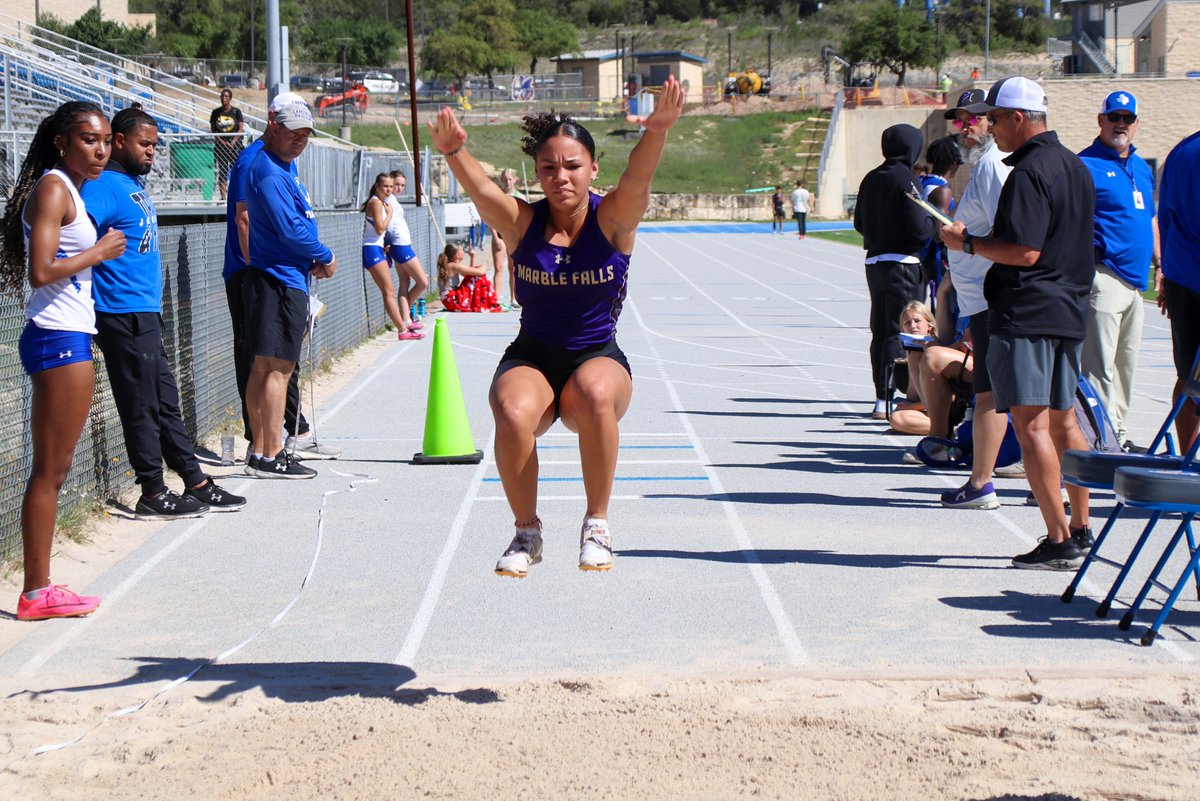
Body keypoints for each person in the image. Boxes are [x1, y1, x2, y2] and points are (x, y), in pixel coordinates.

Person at [427, 75, 686, 577]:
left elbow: (637, 178)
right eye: (548, 168)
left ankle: (597, 523)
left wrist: (657, 130)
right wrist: (455, 152)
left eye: (572, 166)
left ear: (592, 168)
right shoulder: (524, 223)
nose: (560, 176)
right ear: (536, 172)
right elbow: (481, 191)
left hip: (598, 356)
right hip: (536, 354)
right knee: (510, 408)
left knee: (592, 391)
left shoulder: (612, 219)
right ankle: (527, 531)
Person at [942, 76, 1095, 569]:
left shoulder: (1029, 172)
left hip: (1028, 309)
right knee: (1066, 420)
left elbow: (1024, 250)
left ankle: (1058, 538)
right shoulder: (1076, 166)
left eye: (995, 118)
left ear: (1018, 118)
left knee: (1030, 426)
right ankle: (1081, 525)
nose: (989, 128)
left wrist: (968, 243)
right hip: (1069, 308)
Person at [85, 107, 246, 519]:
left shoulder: (130, 185)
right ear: (119, 142)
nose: (152, 152)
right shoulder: (103, 187)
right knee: (141, 403)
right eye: (145, 144)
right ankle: (152, 492)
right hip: (120, 310)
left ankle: (194, 479)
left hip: (144, 310)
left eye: (156, 145)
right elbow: (77, 235)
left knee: (165, 400)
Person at [0, 101, 125, 619]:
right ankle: (35, 591)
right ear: (62, 142)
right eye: (89, 140)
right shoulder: (53, 186)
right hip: (57, 338)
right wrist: (98, 253)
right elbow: (42, 271)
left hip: (65, 335)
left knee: (56, 467)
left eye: (105, 141)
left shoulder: (68, 187)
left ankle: (41, 584)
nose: (100, 150)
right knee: (50, 471)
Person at [223, 92, 340, 461]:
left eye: (306, 134)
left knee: (269, 365)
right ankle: (271, 451)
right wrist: (323, 255)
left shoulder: (281, 164)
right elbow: (277, 226)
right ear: (272, 125)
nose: (300, 140)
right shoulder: (263, 166)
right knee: (275, 367)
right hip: (270, 276)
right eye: (293, 131)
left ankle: (264, 448)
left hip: (279, 273)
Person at [936, 88, 1014, 511]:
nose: (964, 128)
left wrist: (961, 240)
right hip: (979, 300)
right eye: (959, 120)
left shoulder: (993, 166)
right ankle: (983, 481)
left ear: (994, 120)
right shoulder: (983, 166)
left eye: (973, 119)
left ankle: (987, 482)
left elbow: (1012, 229)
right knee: (993, 392)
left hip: (993, 297)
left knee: (1000, 394)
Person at [1078, 91, 1158, 453]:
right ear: (1101, 120)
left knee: (1125, 365)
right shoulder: (1086, 165)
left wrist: (1162, 264)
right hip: (1103, 274)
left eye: (1127, 118)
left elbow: (1150, 219)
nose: (1120, 125)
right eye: (1114, 117)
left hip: (1135, 281)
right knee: (1099, 367)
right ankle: (1098, 438)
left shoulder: (1141, 167)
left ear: (1136, 123)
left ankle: (1119, 435)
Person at [854, 124, 937, 420]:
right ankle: (898, 396)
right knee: (904, 330)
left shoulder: (871, 178)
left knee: (880, 329)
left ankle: (880, 395)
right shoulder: (908, 180)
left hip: (874, 262)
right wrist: (932, 226)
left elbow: (859, 223)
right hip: (903, 262)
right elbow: (918, 225)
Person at [1157, 128, 1200, 454]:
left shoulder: (1180, 151)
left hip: (1182, 277)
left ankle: (1188, 458)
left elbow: (1165, 219)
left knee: (1187, 375)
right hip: (1185, 273)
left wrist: (1167, 275)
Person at [892, 301, 975, 441]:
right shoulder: (914, 352)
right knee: (898, 417)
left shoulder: (939, 352)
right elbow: (913, 395)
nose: (913, 326)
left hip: (951, 408)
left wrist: (912, 406)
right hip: (929, 409)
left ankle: (948, 431)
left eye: (917, 321)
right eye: (907, 323)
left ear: (929, 326)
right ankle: (950, 430)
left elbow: (949, 398)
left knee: (900, 418)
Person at [362, 172, 423, 339]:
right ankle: (403, 329)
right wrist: (389, 213)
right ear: (377, 187)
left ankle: (404, 326)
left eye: (391, 186)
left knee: (390, 290)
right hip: (371, 250)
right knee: (388, 292)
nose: (389, 190)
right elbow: (380, 229)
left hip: (377, 249)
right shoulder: (376, 202)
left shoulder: (380, 202)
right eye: (386, 186)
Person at [918, 136, 963, 295]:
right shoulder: (942, 190)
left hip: (921, 255)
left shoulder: (922, 182)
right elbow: (939, 233)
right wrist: (961, 203)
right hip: (936, 259)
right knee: (942, 310)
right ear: (954, 164)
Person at [385, 169, 430, 330]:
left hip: (402, 244)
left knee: (405, 282)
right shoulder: (388, 199)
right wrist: (387, 241)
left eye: (402, 185)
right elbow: (387, 222)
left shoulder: (392, 199)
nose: (399, 188)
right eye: (396, 184)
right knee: (423, 281)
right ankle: (402, 315)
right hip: (400, 245)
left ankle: (405, 319)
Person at [438, 241, 502, 312]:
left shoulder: (452, 265)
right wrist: (485, 264)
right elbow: (480, 272)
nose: (464, 251)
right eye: (462, 250)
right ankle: (487, 302)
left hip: (448, 299)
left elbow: (469, 274)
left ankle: (483, 302)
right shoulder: (454, 266)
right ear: (457, 255)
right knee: (480, 277)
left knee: (474, 277)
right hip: (451, 299)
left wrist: (472, 257)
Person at [489, 167, 522, 308]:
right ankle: (496, 299)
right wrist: (495, 237)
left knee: (513, 267)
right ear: (501, 180)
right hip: (500, 234)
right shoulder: (497, 196)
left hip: (514, 235)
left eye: (510, 179)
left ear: (515, 180)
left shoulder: (520, 196)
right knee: (498, 267)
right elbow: (490, 217)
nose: (508, 182)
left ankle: (514, 298)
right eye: (505, 179)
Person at [210, 88, 244, 201]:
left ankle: (237, 194)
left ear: (230, 98)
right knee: (223, 171)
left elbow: (240, 128)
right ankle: (223, 196)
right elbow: (214, 131)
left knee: (236, 170)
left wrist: (233, 141)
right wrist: (222, 142)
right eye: (222, 96)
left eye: (226, 96)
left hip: (234, 147)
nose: (223, 98)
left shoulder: (236, 112)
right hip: (221, 147)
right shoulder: (216, 113)